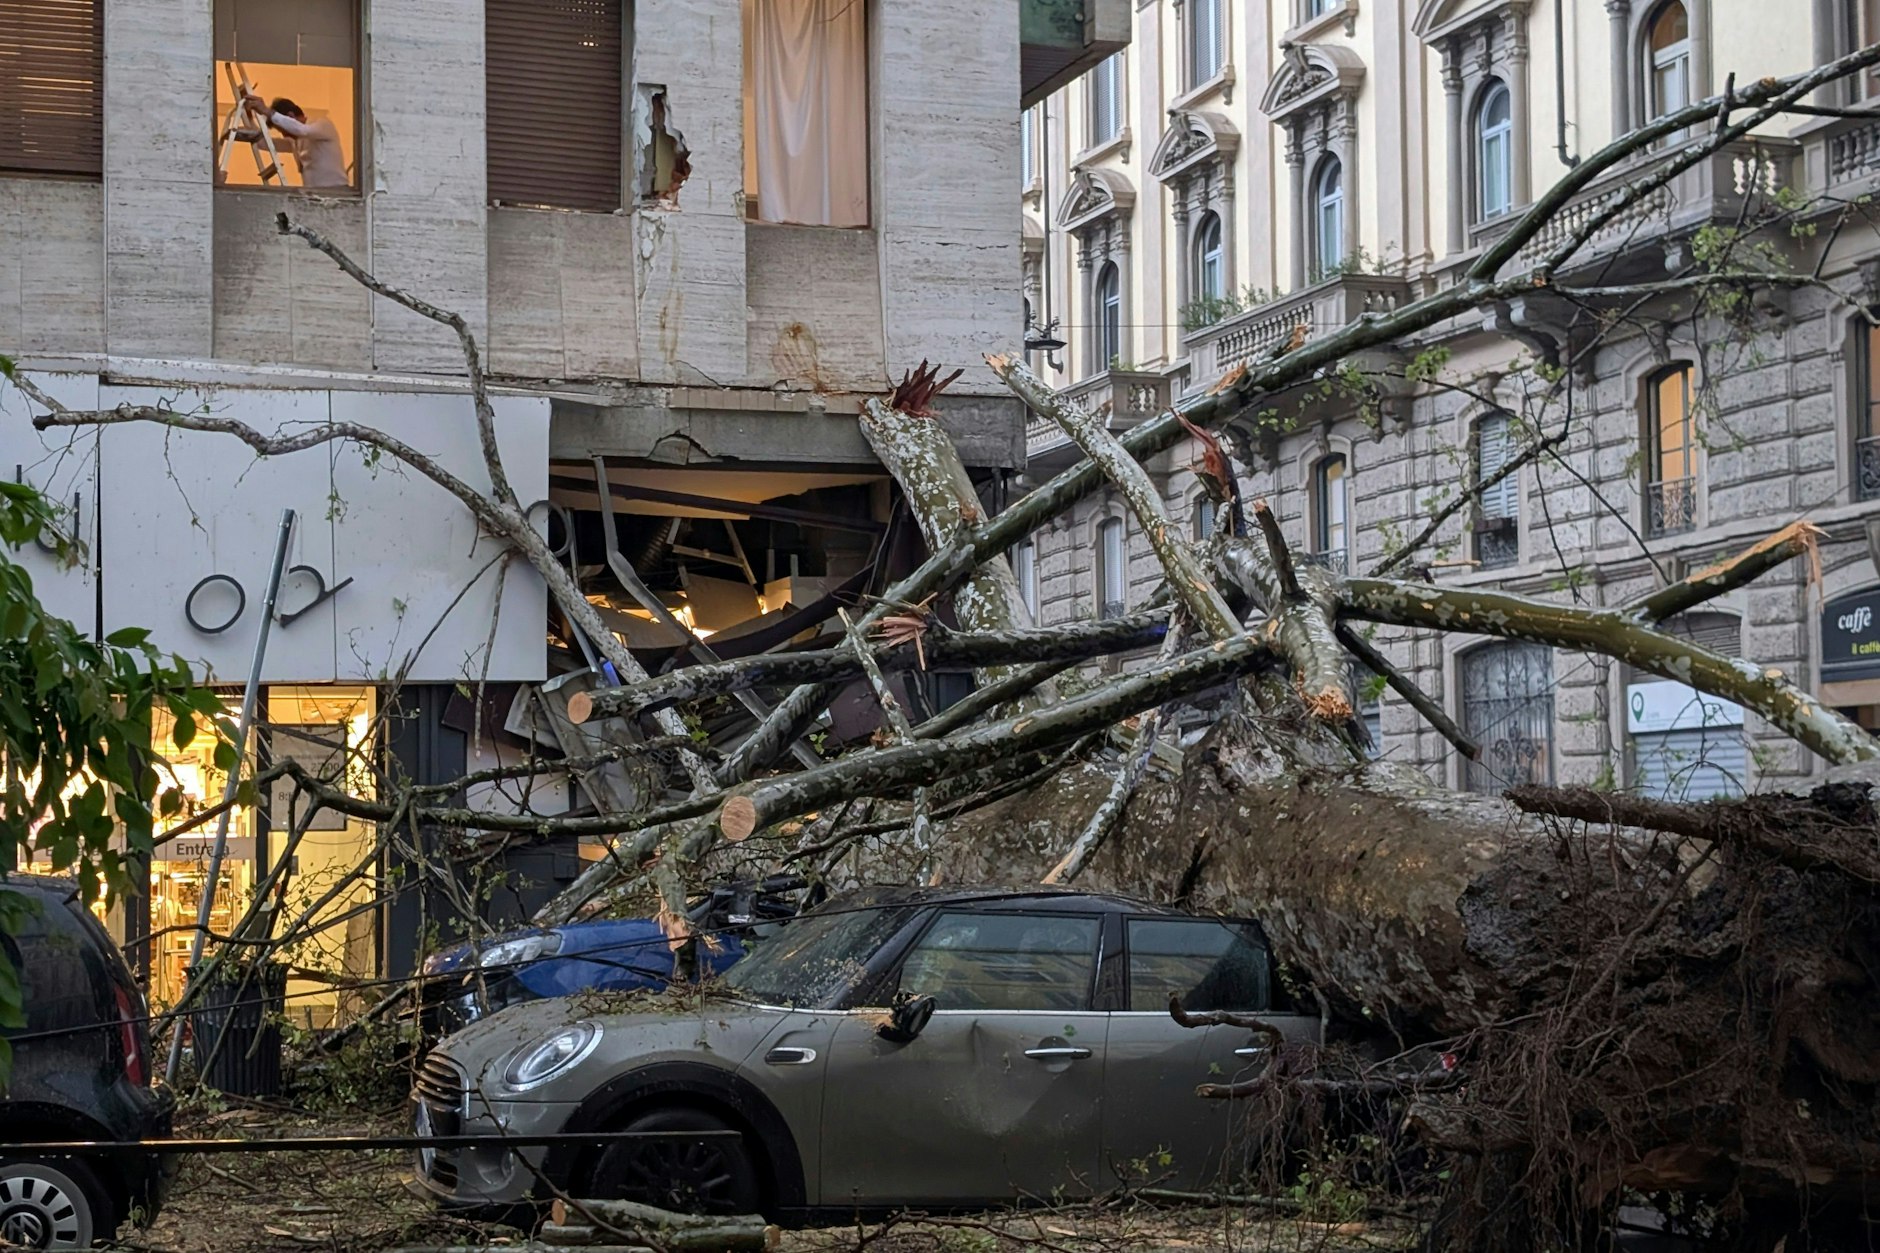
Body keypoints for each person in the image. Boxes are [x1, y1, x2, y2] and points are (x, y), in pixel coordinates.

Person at [238, 95, 348, 189]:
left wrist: (267, 112)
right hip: (315, 196)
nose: (284, 135)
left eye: (283, 130)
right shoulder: (296, 142)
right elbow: (263, 144)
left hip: (336, 192)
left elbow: (302, 130)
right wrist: (250, 118)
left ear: (291, 116)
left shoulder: (323, 124)